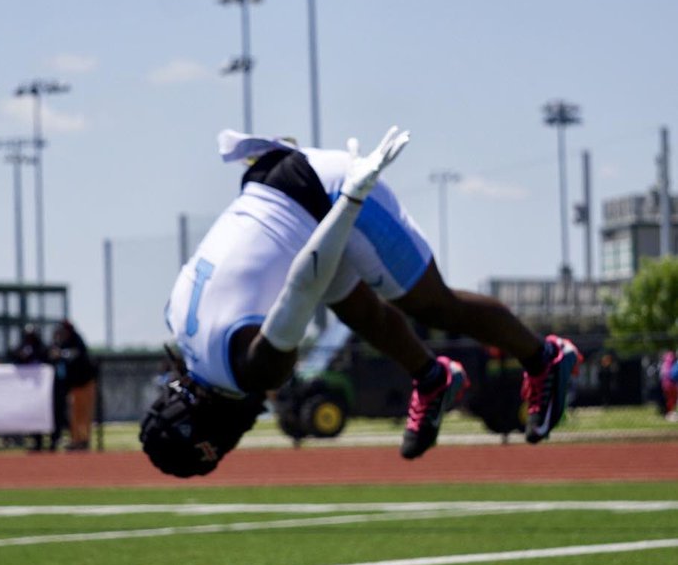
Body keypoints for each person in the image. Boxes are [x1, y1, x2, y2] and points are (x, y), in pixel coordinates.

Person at [140, 127, 581, 478]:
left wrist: (350, 199)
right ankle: (433, 378)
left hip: (325, 191)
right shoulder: (178, 326)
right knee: (356, 309)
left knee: (431, 305)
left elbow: (301, 286)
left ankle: (544, 357)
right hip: (277, 187)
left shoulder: (251, 369)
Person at [49, 319, 97, 450]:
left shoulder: (76, 339)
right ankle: (76, 441)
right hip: (73, 385)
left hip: (86, 383)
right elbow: (52, 355)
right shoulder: (60, 342)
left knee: (84, 414)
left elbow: (77, 354)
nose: (60, 333)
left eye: (62, 331)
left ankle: (84, 441)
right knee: (73, 414)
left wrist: (62, 354)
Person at [8, 324, 50, 450]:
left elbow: (47, 358)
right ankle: (33, 441)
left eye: (32, 335)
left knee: (42, 413)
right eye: (28, 335)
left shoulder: (41, 348)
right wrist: (19, 355)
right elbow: (12, 355)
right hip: (26, 389)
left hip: (41, 388)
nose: (30, 338)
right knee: (29, 413)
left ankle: (45, 441)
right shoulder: (22, 346)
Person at [660, 350, 678, 423]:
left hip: (666, 384)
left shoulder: (665, 364)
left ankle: (669, 413)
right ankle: (670, 414)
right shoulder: (672, 364)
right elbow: (674, 375)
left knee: (670, 400)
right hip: (671, 384)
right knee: (672, 400)